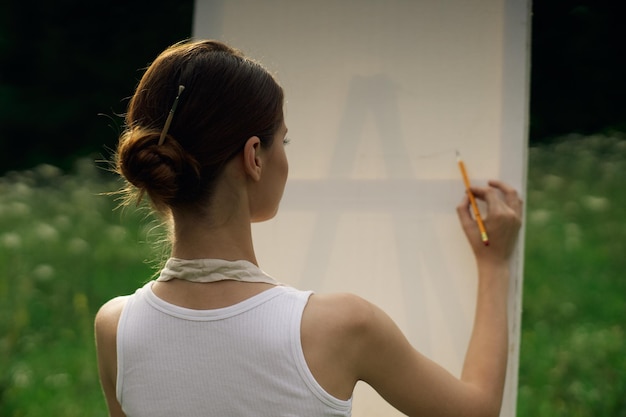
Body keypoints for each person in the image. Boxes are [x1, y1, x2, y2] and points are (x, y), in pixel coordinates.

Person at [95, 39, 523, 417]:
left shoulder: (115, 328)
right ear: (254, 157)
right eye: (285, 140)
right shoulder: (340, 327)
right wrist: (494, 264)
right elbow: (477, 411)